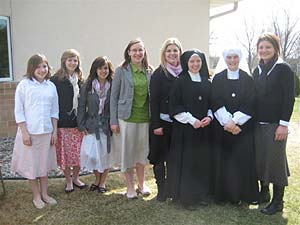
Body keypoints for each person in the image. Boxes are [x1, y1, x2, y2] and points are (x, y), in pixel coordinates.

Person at [253, 33, 295, 215]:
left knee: (276, 162)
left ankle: (278, 202)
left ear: (275, 48)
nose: (264, 50)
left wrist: (283, 125)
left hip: (276, 125)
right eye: (261, 47)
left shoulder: (283, 69)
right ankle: (264, 194)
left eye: (268, 47)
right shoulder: (257, 70)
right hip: (258, 124)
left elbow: (289, 98)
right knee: (261, 159)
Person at [211, 48, 258, 205]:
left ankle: (241, 195)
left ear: (240, 58)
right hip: (223, 128)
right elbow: (215, 100)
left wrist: (236, 122)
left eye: (235, 57)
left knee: (241, 161)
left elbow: (251, 102)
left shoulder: (248, 79)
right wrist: (228, 123)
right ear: (225, 59)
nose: (232, 60)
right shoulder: (217, 78)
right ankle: (223, 195)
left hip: (242, 129)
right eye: (229, 57)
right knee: (224, 161)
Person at [11, 54, 58, 209]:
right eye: (37, 67)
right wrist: (24, 132)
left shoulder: (51, 86)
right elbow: (19, 111)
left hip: (47, 132)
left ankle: (45, 194)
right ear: (31, 68)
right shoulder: (24, 85)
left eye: (44, 66)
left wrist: (55, 132)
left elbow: (54, 111)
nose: (41, 70)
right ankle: (36, 196)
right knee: (32, 165)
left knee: (43, 165)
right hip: (29, 133)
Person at [168, 49, 212, 210]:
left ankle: (200, 195)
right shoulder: (180, 81)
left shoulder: (207, 81)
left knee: (201, 162)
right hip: (186, 130)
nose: (195, 64)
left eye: (198, 61)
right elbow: (174, 106)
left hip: (203, 129)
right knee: (188, 164)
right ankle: (186, 198)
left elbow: (211, 103)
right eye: (192, 61)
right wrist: (191, 120)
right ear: (186, 63)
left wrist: (209, 116)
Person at [110, 38, 153, 199]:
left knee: (142, 154)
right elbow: (113, 97)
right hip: (126, 119)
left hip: (145, 119)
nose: (137, 53)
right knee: (127, 154)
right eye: (134, 50)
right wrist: (113, 121)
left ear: (144, 52)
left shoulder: (150, 70)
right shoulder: (122, 70)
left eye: (140, 50)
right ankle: (130, 187)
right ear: (128, 52)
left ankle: (141, 185)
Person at [148, 37, 183, 202]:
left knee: (175, 158)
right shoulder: (159, 73)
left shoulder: (185, 72)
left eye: (175, 50)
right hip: (162, 123)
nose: (172, 53)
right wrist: (156, 124)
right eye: (169, 51)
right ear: (164, 54)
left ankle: (174, 190)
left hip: (180, 123)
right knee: (159, 158)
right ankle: (162, 190)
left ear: (180, 53)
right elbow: (153, 101)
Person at [50, 49, 86, 193]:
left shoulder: (81, 80)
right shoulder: (56, 80)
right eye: (70, 60)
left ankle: (76, 178)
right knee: (65, 153)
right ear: (64, 61)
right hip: (63, 123)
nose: (72, 63)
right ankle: (68, 180)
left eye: (75, 60)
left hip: (78, 123)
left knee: (78, 153)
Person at [77, 56, 114, 193]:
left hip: (107, 125)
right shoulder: (88, 85)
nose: (103, 71)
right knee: (92, 154)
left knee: (105, 155)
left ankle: (102, 182)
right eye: (100, 68)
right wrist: (81, 125)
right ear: (95, 69)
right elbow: (81, 107)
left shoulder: (113, 84)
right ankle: (97, 179)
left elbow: (115, 106)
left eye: (105, 68)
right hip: (91, 124)